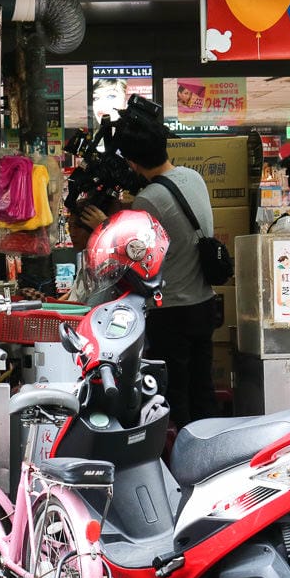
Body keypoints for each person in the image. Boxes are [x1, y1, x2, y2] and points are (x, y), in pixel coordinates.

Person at [114, 117, 218, 427]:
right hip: (204, 303)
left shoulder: (148, 200)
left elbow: (133, 256)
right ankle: (209, 453)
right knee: (203, 387)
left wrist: (102, 225)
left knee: (175, 394)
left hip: (173, 310)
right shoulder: (193, 177)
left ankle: (182, 462)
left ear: (132, 163)